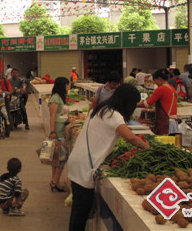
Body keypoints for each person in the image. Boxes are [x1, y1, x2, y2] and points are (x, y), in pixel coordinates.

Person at [68, 84, 150, 231]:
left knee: (77, 210)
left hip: (78, 162)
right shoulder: (113, 115)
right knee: (80, 213)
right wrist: (150, 149)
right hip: (85, 167)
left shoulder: (100, 109)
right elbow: (131, 138)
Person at [137, 69, 178, 135]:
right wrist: (148, 110)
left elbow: (147, 103)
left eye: (155, 80)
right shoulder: (172, 88)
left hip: (165, 123)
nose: (155, 82)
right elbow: (166, 106)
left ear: (159, 79)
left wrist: (135, 105)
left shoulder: (161, 89)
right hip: (173, 122)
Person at [48, 77, 69, 192]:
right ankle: (55, 182)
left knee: (56, 157)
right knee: (61, 157)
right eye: (67, 85)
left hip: (60, 129)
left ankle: (54, 180)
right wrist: (52, 131)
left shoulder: (59, 98)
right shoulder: (56, 98)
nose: (68, 88)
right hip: (58, 131)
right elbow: (52, 115)